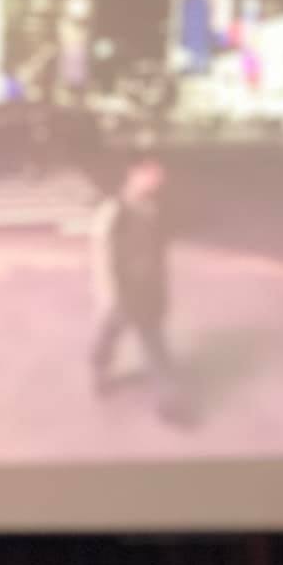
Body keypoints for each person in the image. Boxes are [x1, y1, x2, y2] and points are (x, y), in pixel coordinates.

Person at [89, 154, 176, 402]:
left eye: (159, 176)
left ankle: (170, 399)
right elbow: (101, 253)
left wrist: (161, 287)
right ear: (134, 174)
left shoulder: (153, 207)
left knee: (153, 341)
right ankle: (99, 369)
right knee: (109, 335)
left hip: (147, 289)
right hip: (121, 289)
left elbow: (157, 251)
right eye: (152, 174)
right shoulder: (113, 209)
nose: (157, 181)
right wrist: (106, 292)